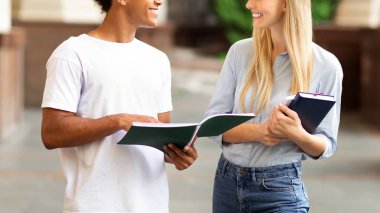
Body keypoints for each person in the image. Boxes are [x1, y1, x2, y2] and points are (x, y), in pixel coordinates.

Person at [41, 0, 198, 212]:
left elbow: (161, 138)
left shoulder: (158, 60)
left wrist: (178, 154)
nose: (159, 1)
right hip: (93, 205)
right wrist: (117, 121)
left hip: (153, 205)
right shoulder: (71, 54)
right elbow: (51, 133)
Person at [205, 0, 343, 212]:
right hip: (227, 183)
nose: (249, 5)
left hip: (279, 189)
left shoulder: (326, 66)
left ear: (287, 4)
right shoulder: (239, 53)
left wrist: (298, 134)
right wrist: (259, 132)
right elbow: (212, 124)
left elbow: (327, 143)